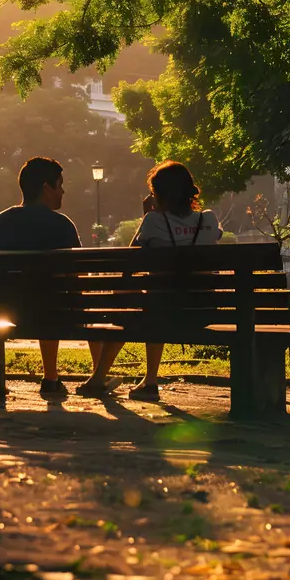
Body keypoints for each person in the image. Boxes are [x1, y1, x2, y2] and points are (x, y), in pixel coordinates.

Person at [78, 160, 222, 400]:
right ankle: (149, 380)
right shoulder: (208, 219)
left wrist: (150, 214)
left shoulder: (153, 221)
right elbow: (213, 235)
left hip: (161, 309)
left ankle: (99, 378)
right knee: (154, 304)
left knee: (137, 306)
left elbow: (130, 259)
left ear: (157, 194)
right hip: (203, 311)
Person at [0, 156, 82, 397]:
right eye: (60, 184)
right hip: (54, 311)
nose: (63, 191)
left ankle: (43, 378)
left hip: (8, 310)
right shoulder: (62, 225)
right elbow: (77, 275)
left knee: (46, 299)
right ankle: (62, 379)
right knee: (57, 301)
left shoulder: (0, 222)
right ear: (46, 188)